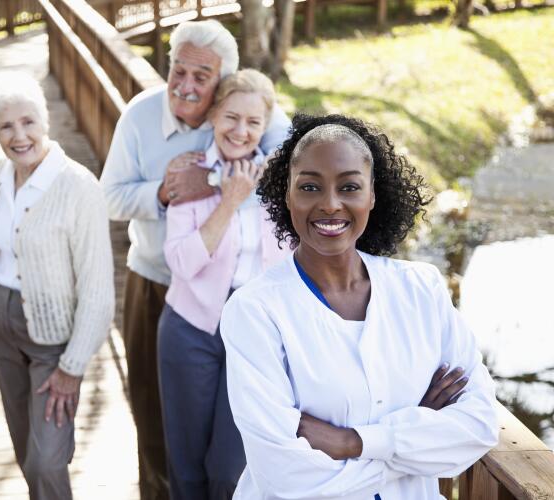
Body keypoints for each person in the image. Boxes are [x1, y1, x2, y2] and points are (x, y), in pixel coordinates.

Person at [220, 114, 500, 499]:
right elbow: (285, 476)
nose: (330, 204)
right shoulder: (254, 311)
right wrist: (416, 439)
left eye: (349, 186)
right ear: (287, 196)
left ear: (372, 195)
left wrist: (354, 442)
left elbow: (481, 424)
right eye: (310, 187)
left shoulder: (422, 289)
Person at [100, 20, 290, 499]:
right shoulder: (139, 116)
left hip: (241, 305)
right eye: (177, 71)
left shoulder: (248, 116)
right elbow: (110, 199)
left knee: (229, 449)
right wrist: (164, 192)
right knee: (152, 414)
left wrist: (212, 184)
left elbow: (287, 167)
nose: (185, 86)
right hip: (158, 282)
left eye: (200, 77)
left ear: (224, 81)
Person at [0, 71, 114, 500]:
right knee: (24, 448)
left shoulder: (78, 187)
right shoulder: (0, 171)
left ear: (45, 121)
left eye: (28, 121)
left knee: (47, 458)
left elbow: (97, 290)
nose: (20, 135)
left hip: (52, 339)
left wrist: (72, 369)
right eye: (6, 126)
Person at [158, 69, 292, 500]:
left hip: (254, 333)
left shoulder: (278, 180)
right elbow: (181, 261)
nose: (241, 131)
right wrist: (228, 201)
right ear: (214, 114)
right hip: (191, 328)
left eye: (253, 122)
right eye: (232, 117)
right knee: (187, 464)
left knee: (232, 465)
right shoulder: (189, 171)